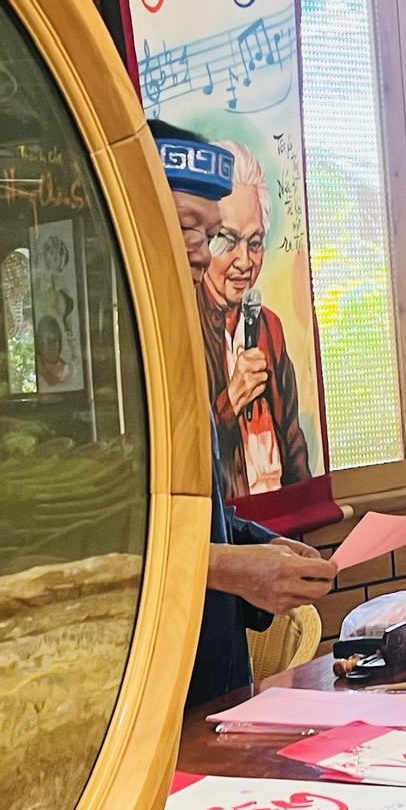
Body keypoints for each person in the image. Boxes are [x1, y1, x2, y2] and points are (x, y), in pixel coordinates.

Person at [151, 122, 332, 704]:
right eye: (190, 229)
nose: (206, 255)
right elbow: (107, 558)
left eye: (215, 235)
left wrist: (264, 547)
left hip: (218, 677)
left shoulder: (242, 336)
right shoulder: (111, 372)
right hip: (157, 691)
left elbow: (200, 514)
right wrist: (235, 570)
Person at [195, 143, 311, 497]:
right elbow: (180, 454)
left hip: (280, 525)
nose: (244, 261)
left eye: (255, 243)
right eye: (227, 241)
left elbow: (292, 439)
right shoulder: (182, 328)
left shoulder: (268, 326)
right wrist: (229, 402)